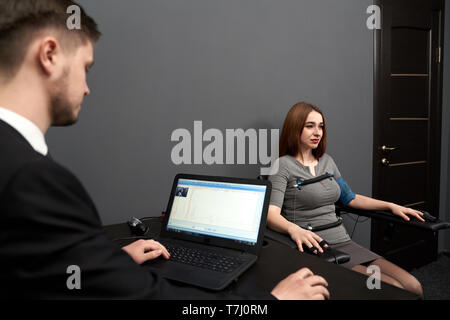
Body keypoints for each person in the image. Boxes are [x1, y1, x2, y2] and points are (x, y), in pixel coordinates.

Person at [0, 0, 329, 300]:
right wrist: (271, 302)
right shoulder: (32, 180)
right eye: (85, 67)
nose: (87, 88)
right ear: (49, 54)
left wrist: (108, 264)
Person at [267, 101, 424, 298]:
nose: (317, 132)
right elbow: (271, 214)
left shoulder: (327, 161)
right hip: (318, 247)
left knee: (413, 286)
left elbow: (349, 198)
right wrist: (293, 229)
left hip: (345, 242)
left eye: (321, 126)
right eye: (310, 126)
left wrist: (391, 206)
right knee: (391, 288)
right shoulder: (282, 166)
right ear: (295, 127)